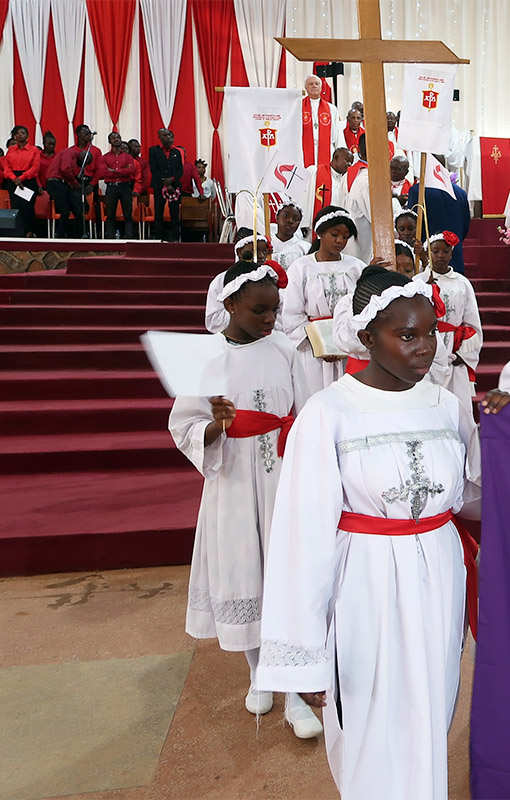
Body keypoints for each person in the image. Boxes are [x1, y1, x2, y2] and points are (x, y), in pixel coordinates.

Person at [256, 265, 510, 798]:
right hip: (364, 582)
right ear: (367, 337)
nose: (426, 349)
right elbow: (300, 540)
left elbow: (467, 497)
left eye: (431, 333)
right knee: (370, 717)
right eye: (407, 335)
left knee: (430, 709)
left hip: (439, 577)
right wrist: (303, 657)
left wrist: (507, 437)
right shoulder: (329, 413)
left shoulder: (445, 405)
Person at [169, 260, 323, 740]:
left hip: (282, 475)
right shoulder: (204, 357)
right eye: (259, 309)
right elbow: (183, 426)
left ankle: (294, 690)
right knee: (245, 570)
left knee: (284, 572)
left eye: (275, 309)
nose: (270, 319)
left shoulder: (285, 349)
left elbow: (306, 409)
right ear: (229, 303)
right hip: (233, 478)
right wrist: (216, 425)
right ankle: (258, 672)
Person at [281, 207, 368, 405]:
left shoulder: (356, 267)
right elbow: (293, 314)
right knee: (315, 401)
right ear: (320, 233)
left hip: (348, 347)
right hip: (313, 350)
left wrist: (345, 341)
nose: (340, 241)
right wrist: (321, 344)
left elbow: (362, 308)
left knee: (350, 401)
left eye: (345, 237)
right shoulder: (301, 267)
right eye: (335, 234)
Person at [413, 231, 482, 403]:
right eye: (435, 251)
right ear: (429, 253)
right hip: (430, 344)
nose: (440, 256)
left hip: (455, 346)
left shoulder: (462, 282)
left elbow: (473, 321)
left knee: (458, 402)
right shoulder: (419, 281)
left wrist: (465, 354)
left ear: (452, 253)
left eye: (445, 251)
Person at [343, 136, 402, 263]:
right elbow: (379, 220)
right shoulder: (368, 180)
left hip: (353, 244)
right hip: (363, 250)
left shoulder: (351, 173)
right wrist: (401, 232)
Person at [407, 158, 471, 273]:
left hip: (429, 254)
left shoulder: (418, 191)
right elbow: (465, 224)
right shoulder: (460, 193)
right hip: (453, 252)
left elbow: (413, 224)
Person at [46, 124, 101, 238]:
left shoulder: (74, 154)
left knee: (74, 207)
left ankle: (77, 233)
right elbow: (65, 169)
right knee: (65, 210)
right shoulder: (70, 153)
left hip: (63, 182)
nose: (81, 166)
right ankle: (60, 234)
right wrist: (75, 183)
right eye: (83, 163)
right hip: (56, 182)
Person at [0, 125, 41, 234]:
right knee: (16, 206)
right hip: (13, 181)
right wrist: (15, 179)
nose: (19, 135)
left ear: (27, 136)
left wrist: (22, 178)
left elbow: (35, 167)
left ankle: (29, 231)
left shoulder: (34, 150)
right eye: (17, 133)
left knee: (27, 207)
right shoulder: (11, 150)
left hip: (28, 180)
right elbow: (6, 167)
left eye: (22, 133)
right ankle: (18, 232)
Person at [98, 132, 139, 239]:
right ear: (109, 141)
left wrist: (114, 171)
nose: (116, 139)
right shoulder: (104, 157)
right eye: (113, 138)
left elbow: (131, 170)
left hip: (125, 187)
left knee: (127, 213)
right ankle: (109, 235)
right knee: (110, 213)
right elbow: (103, 172)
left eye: (118, 137)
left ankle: (129, 235)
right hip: (111, 187)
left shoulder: (128, 157)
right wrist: (122, 171)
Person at [149, 128, 184, 241]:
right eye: (164, 135)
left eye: (169, 135)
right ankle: (159, 236)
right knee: (158, 211)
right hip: (159, 185)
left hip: (174, 186)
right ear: (159, 137)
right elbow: (154, 169)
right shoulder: (153, 150)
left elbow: (180, 170)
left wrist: (172, 180)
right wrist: (164, 181)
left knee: (174, 212)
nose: (167, 137)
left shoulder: (177, 152)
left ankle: (174, 237)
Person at [302, 74, 343, 170]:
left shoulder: (331, 108)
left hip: (326, 150)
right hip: (304, 150)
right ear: (306, 87)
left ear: (321, 87)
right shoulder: (298, 106)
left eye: (317, 84)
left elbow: (338, 132)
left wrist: (340, 154)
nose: (314, 86)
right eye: (310, 84)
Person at [307, 146, 351, 223]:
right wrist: (304, 223)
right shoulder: (315, 171)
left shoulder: (346, 181)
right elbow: (305, 196)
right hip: (311, 225)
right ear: (336, 158)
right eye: (347, 160)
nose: (349, 164)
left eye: (351, 162)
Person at [270, 204, 311, 268]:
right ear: (277, 217)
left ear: (299, 223)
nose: (290, 221)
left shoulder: (306, 248)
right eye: (285, 216)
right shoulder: (266, 243)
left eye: (295, 219)